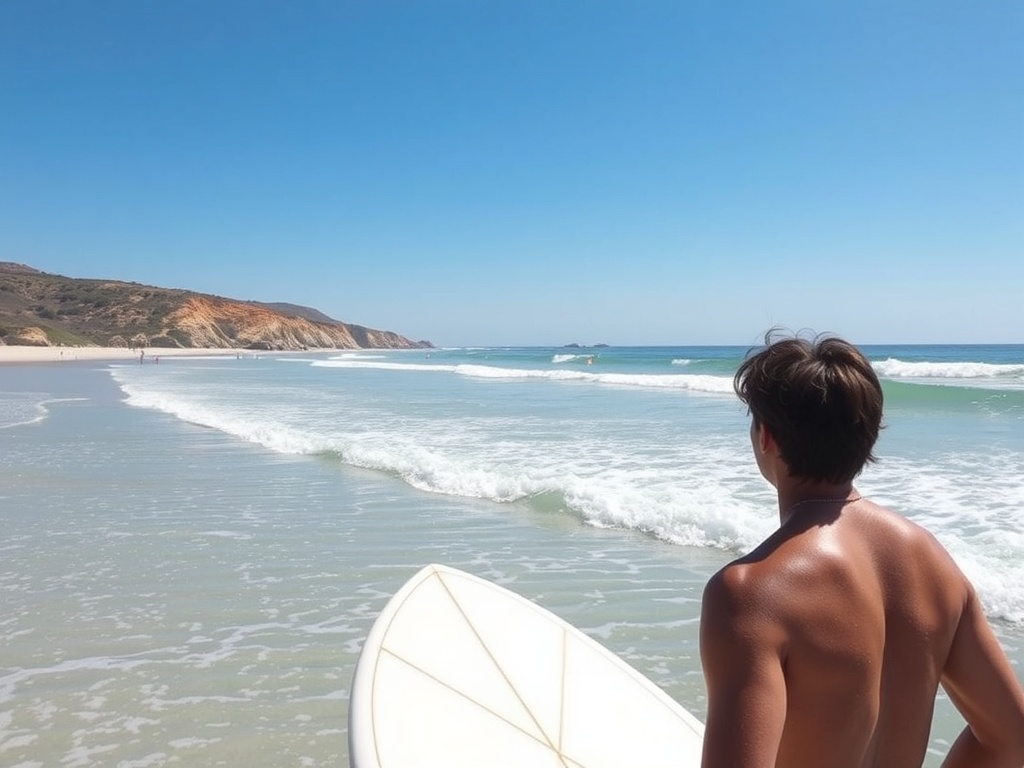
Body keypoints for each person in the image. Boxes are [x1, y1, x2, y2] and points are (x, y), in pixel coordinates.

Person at [700, 331, 1024, 768]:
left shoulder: (751, 593)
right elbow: (1010, 739)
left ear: (766, 437)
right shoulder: (933, 564)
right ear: (867, 435)